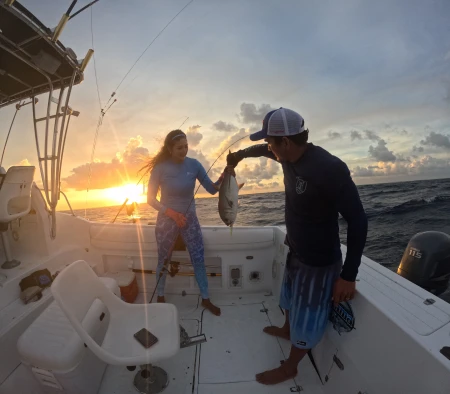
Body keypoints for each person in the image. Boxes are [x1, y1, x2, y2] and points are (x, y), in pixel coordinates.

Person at [227, 107, 368, 385]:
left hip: (319, 264)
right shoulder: (287, 156)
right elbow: (261, 151)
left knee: (308, 317)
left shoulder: (329, 168)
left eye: (270, 141)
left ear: (286, 142)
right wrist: (240, 155)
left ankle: (291, 365)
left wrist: (349, 275)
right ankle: (286, 328)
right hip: (296, 251)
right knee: (289, 300)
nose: (268, 147)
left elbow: (359, 221)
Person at [146, 129, 224, 316]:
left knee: (198, 258)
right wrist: (172, 213)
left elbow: (212, 190)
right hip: (167, 220)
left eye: (186, 146)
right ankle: (161, 297)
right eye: (179, 147)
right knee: (163, 260)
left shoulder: (194, 165)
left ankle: (205, 298)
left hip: (189, 220)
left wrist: (224, 176)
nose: (184, 150)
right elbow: (150, 199)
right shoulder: (160, 168)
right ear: (170, 149)